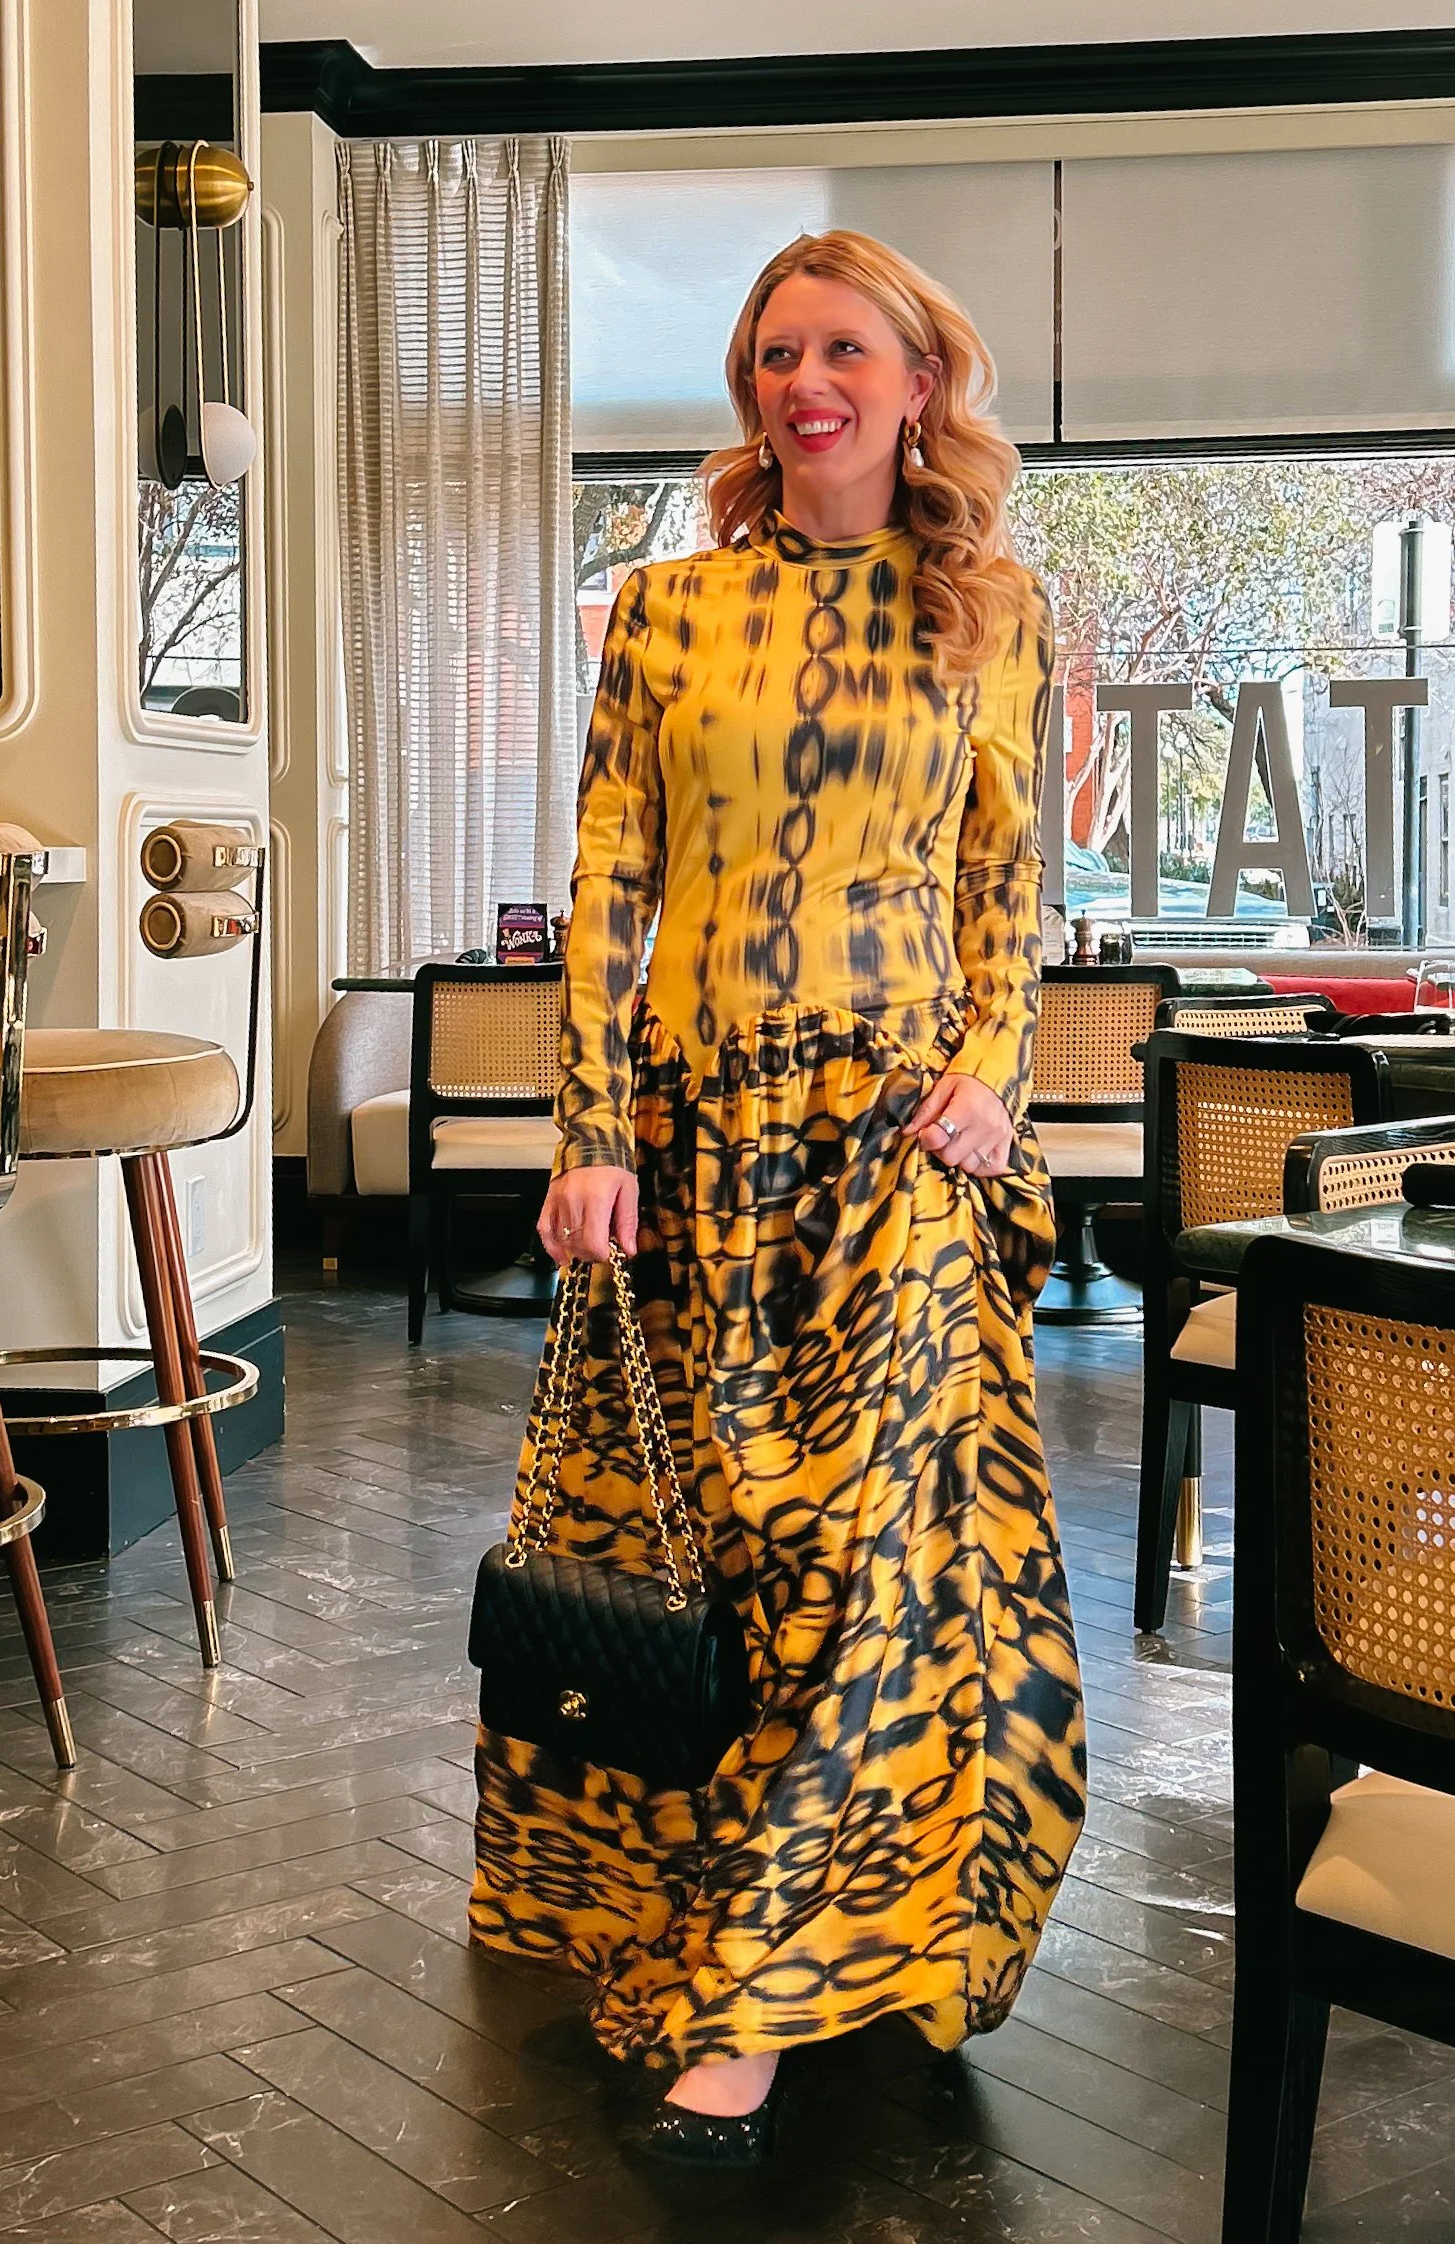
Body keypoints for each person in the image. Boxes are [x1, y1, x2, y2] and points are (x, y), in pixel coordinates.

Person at [470, 228, 1085, 2166]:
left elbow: (1007, 893)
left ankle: (747, 1996)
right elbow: (609, 893)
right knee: (725, 1552)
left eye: (842, 349)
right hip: (700, 1145)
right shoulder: (661, 614)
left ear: (919, 384)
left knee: (858, 1577)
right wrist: (589, 1136)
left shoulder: (991, 611)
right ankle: (791, 1916)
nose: (802, 382)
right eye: (772, 354)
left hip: (897, 1154)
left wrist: (996, 1074)